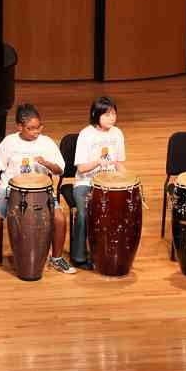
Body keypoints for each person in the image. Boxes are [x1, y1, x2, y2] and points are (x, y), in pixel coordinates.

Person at [0, 103, 76, 275]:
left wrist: (46, 163)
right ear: (19, 126)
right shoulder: (9, 142)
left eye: (38, 127)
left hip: (40, 192)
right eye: (31, 128)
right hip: (8, 189)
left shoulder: (46, 142)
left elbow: (60, 170)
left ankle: (56, 259)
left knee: (59, 220)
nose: (36, 132)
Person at [71, 96, 126, 270]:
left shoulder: (117, 133)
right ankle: (79, 257)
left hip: (110, 183)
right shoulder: (86, 134)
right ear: (96, 115)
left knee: (121, 212)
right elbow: (81, 168)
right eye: (107, 114)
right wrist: (98, 162)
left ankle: (110, 251)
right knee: (83, 214)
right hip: (86, 183)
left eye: (114, 114)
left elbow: (119, 163)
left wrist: (130, 179)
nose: (112, 118)